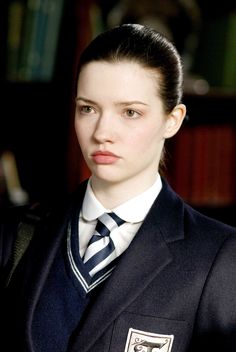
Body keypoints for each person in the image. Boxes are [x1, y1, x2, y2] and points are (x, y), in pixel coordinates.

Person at [1, 23, 236, 352]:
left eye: (130, 112)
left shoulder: (219, 256)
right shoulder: (16, 235)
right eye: (88, 109)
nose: (102, 132)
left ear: (173, 119)